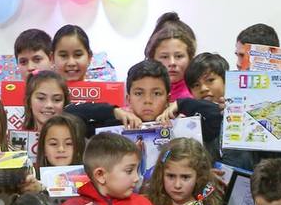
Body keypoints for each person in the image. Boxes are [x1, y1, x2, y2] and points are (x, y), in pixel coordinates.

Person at [64, 59, 223, 153]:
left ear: (168, 98)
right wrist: (113, 111)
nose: (147, 100)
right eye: (139, 93)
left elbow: (215, 115)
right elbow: (69, 114)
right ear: (128, 99)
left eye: (156, 93)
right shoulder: (114, 127)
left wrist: (181, 104)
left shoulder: (181, 125)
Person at [145, 12, 197, 102]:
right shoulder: (142, 90)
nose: (172, 63)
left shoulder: (198, 94)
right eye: (164, 57)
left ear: (190, 58)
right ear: (152, 59)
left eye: (179, 56)